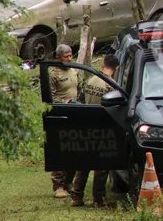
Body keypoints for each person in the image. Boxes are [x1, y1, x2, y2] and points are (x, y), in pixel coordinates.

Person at [70, 54, 120, 207]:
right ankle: (99, 199)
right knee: (101, 164)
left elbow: (82, 100)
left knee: (84, 161)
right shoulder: (111, 84)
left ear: (103, 64)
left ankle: (76, 196)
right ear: (116, 68)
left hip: (87, 124)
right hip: (102, 127)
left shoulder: (90, 80)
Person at [48, 44, 79, 199]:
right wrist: (64, 102)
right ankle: (58, 185)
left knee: (72, 148)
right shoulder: (53, 74)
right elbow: (49, 98)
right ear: (58, 57)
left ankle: (68, 181)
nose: (69, 59)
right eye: (66, 56)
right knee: (60, 149)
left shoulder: (74, 70)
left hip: (74, 114)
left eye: (70, 55)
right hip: (60, 115)